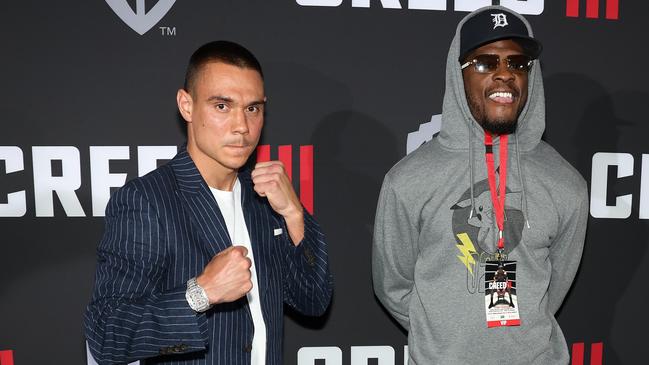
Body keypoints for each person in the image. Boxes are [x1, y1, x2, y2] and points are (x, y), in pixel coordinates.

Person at [85, 40, 333, 365]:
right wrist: (200, 294)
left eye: (252, 108)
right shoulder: (147, 201)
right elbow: (107, 334)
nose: (242, 126)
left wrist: (294, 213)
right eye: (222, 106)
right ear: (186, 106)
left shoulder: (265, 200)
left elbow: (314, 300)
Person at [373, 6, 587, 364]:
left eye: (517, 64)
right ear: (459, 74)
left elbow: (554, 287)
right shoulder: (408, 180)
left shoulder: (566, 184)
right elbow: (392, 286)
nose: (505, 75)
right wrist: (442, 333)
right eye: (486, 62)